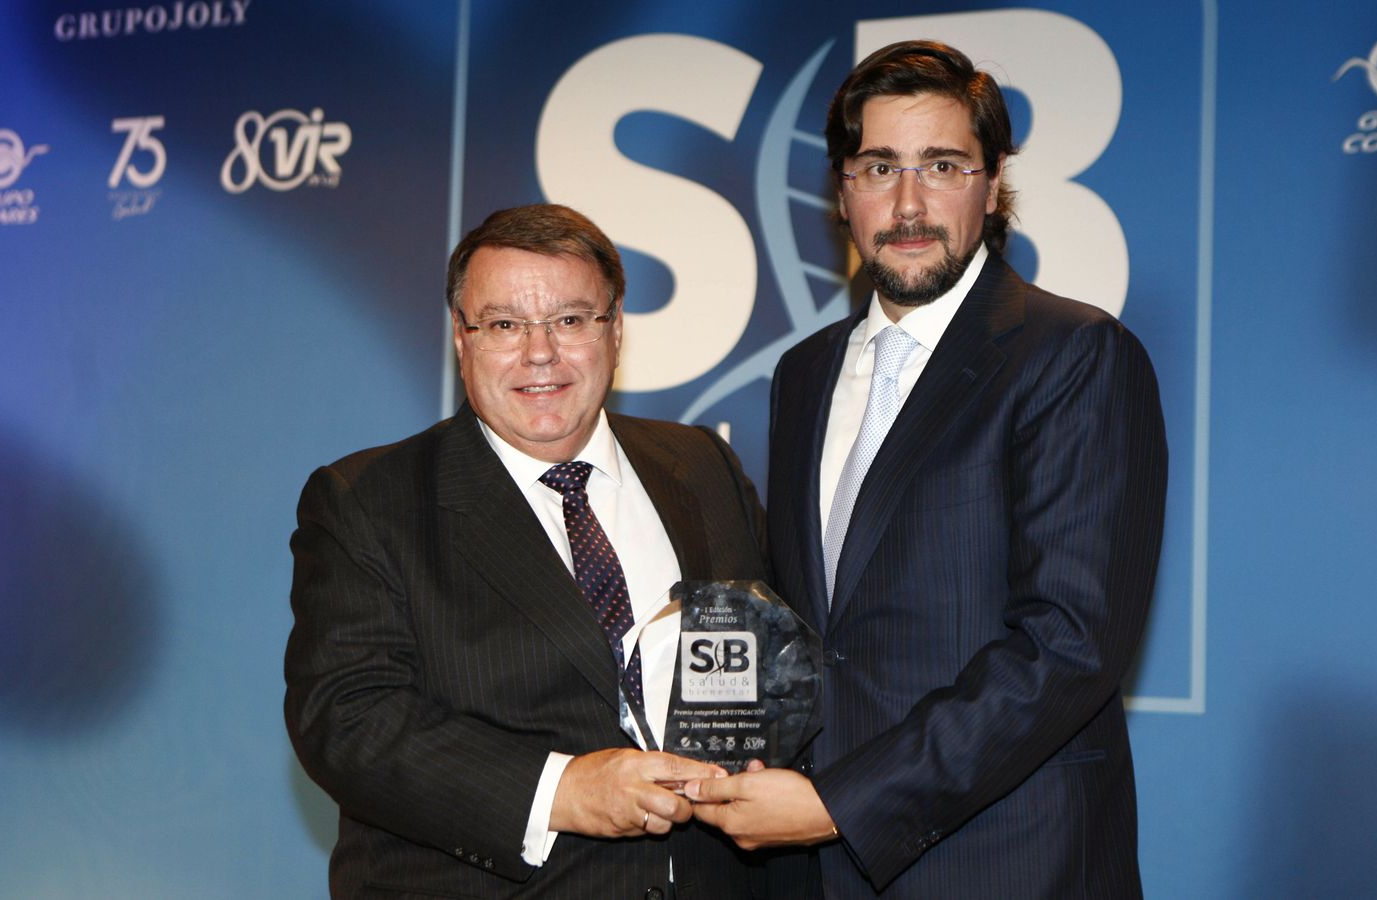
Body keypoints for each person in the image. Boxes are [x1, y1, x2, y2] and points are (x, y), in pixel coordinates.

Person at [688, 41, 1168, 897]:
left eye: (941, 165)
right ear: (843, 192)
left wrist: (842, 802)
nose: (908, 204)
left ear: (992, 185)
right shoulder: (805, 372)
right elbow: (817, 632)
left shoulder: (1075, 354)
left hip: (1009, 861)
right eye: (879, 167)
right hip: (820, 869)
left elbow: (1069, 643)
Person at [285, 204, 770, 899]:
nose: (540, 352)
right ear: (462, 337)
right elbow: (348, 719)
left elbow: (777, 659)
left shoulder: (701, 467)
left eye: (571, 320)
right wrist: (562, 791)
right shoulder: (369, 500)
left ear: (616, 329)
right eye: (506, 324)